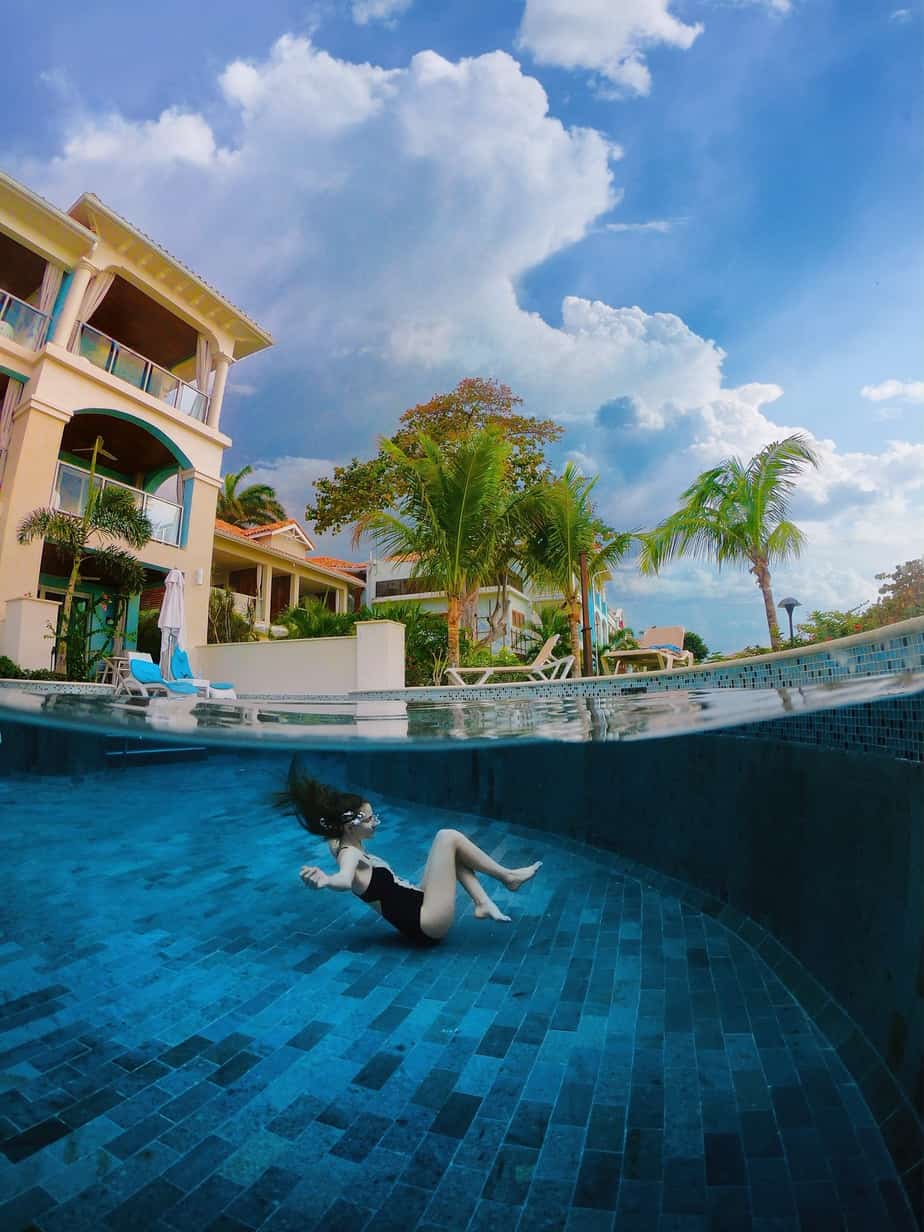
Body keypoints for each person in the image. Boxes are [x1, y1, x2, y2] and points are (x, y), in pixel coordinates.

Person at [275, 765, 541, 946]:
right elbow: (344, 879)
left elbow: (330, 822)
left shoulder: (337, 840)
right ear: (351, 826)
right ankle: (507, 877)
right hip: (426, 923)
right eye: (370, 819)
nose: (376, 822)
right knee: (447, 836)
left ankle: (483, 902)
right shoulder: (349, 855)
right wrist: (325, 881)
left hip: (420, 908)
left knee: (450, 853)